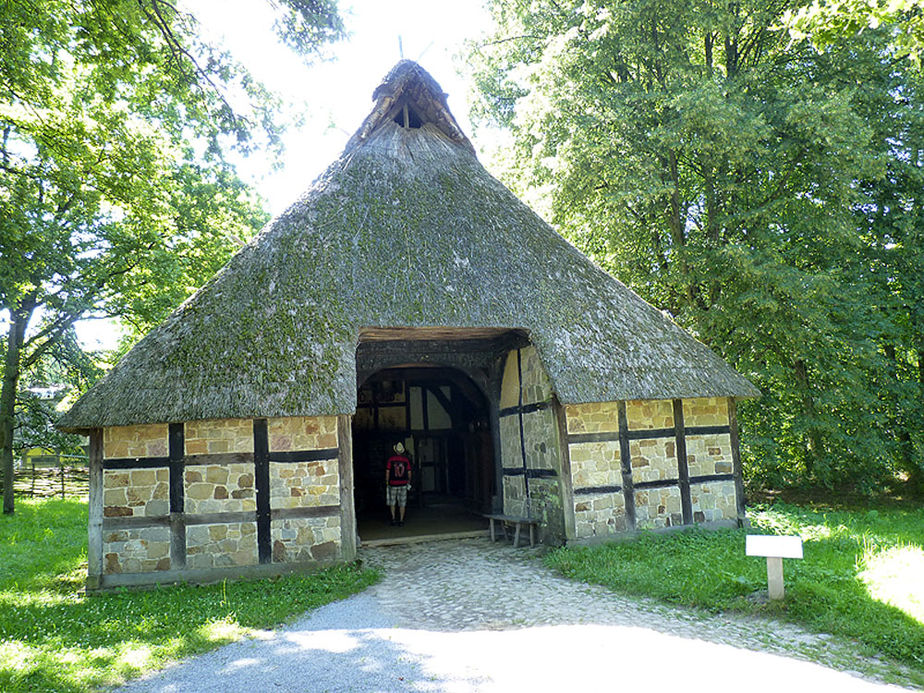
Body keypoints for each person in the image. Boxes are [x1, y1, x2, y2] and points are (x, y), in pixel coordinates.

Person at [385, 442, 412, 526]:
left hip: (393, 483)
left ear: (395, 451)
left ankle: (393, 519)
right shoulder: (406, 460)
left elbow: (387, 471)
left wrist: (387, 481)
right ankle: (401, 520)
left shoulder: (391, 460)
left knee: (392, 502)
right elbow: (409, 472)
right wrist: (409, 481)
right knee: (402, 503)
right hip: (403, 484)